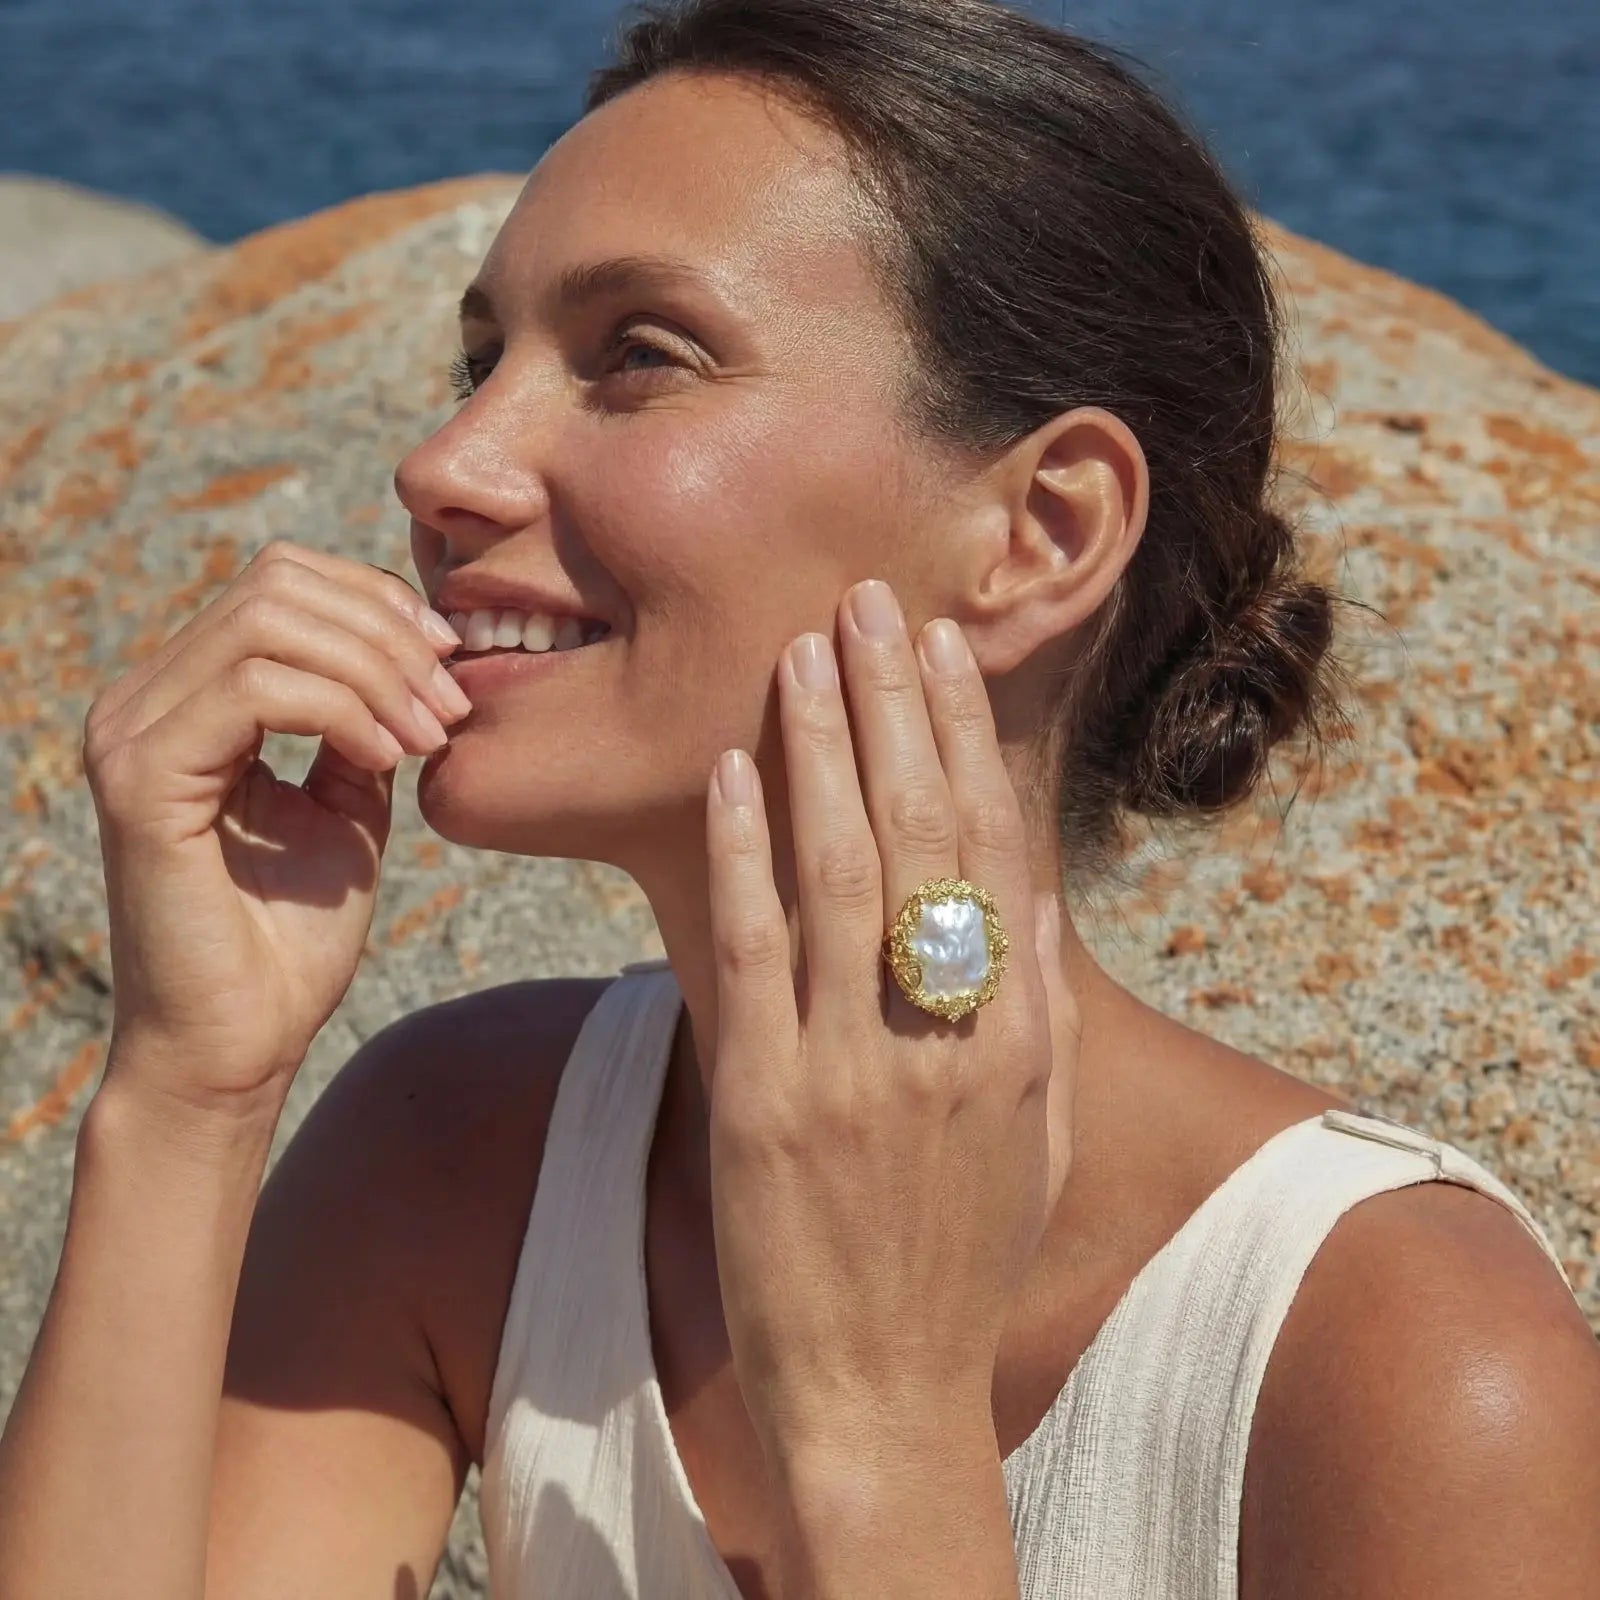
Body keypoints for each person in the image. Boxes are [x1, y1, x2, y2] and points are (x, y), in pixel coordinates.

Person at [2, 0, 1597, 1594]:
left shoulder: (1408, 1364)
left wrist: (880, 1429)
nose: (444, 464)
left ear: (1041, 533)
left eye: (641, 355)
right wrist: (187, 1093)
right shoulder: (454, 1158)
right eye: (481, 363)